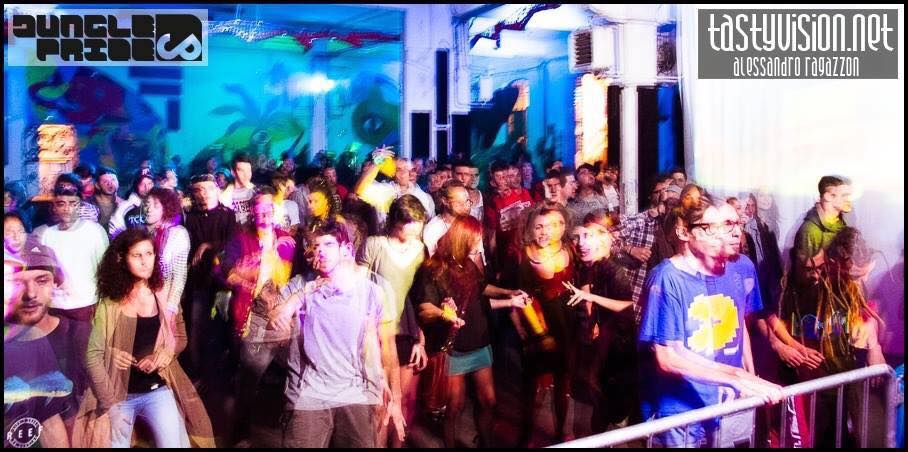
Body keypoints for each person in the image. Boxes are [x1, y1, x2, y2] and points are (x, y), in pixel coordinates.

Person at [637, 195, 783, 447]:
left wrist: (745, 377)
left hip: (721, 402)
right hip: (680, 411)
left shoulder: (730, 270)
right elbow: (669, 356)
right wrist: (735, 377)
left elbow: (738, 327)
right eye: (712, 229)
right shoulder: (666, 277)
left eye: (729, 226)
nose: (728, 234)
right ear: (685, 232)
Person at [268, 220, 406, 447]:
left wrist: (392, 394)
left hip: (355, 393)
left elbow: (383, 344)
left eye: (328, 244)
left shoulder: (372, 290)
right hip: (310, 394)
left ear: (346, 249)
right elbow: (273, 318)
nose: (320, 251)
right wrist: (301, 296)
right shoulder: (302, 285)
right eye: (316, 246)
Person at [78, 228, 214, 448]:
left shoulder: (163, 294)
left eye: (149, 254)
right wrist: (111, 405)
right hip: (118, 395)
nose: (145, 262)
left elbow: (180, 337)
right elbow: (92, 355)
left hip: (157, 388)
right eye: (137, 255)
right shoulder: (110, 303)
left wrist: (167, 353)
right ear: (122, 259)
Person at [414, 216, 530, 447]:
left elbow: (481, 289)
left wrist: (508, 293)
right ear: (463, 239)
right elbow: (424, 308)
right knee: (454, 406)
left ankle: (485, 441)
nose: (480, 244)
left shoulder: (467, 264)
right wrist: (444, 314)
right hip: (454, 347)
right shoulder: (434, 269)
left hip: (479, 343)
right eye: (476, 239)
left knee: (488, 401)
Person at [220, 191, 296, 445]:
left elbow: (298, 276)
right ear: (253, 213)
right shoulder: (241, 240)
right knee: (249, 382)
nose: (264, 215)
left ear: (274, 212)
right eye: (259, 210)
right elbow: (224, 272)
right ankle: (240, 436)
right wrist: (246, 272)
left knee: (298, 376)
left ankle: (295, 432)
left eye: (268, 210)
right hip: (254, 319)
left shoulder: (287, 240)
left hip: (285, 319)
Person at [359, 195, 429, 448]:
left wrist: (421, 340)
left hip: (407, 330)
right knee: (381, 403)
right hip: (377, 333)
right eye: (412, 225)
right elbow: (359, 288)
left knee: (404, 403)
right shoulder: (375, 245)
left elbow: (421, 296)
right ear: (397, 223)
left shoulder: (420, 249)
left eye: (419, 226)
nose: (416, 231)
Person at [4, 241, 89, 448]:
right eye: (17, 282)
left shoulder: (78, 334)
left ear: (55, 283)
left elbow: (53, 418)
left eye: (41, 280)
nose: (30, 294)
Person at [564, 212, 636, 434]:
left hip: (620, 344)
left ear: (606, 239)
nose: (582, 242)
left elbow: (628, 306)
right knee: (597, 394)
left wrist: (591, 298)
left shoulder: (616, 270)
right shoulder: (592, 266)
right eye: (580, 236)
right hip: (605, 340)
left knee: (610, 401)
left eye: (590, 236)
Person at [515, 200, 579, 446]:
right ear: (531, 228)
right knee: (535, 386)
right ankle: (526, 437)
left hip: (567, 325)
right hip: (540, 326)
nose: (544, 232)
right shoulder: (525, 255)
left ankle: (562, 433)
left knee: (564, 381)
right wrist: (541, 335)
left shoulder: (569, 249)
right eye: (539, 226)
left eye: (550, 226)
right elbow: (524, 300)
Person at [32, 178, 109, 323]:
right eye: (61, 204)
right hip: (55, 307)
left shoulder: (95, 231)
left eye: (73, 203)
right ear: (55, 206)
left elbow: (105, 270)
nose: (67, 209)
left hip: (86, 304)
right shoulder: (46, 235)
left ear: (80, 205)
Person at [142, 187, 190, 328]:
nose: (149, 209)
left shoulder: (176, 234)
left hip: (165, 301)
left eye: (156, 205)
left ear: (166, 208)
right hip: (142, 301)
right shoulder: (140, 233)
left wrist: (171, 307)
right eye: (147, 204)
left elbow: (179, 276)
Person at [109, 171, 155, 238]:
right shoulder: (124, 207)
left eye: (149, 183)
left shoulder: (160, 205)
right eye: (142, 184)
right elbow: (114, 232)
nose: (146, 188)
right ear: (136, 186)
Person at [219, 154, 257, 226]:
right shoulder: (224, 197)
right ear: (233, 172)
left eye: (249, 170)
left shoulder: (256, 192)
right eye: (242, 171)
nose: (246, 175)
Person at [89, 166, 125, 231]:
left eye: (113, 180)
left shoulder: (125, 205)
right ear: (97, 185)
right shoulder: (89, 204)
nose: (110, 183)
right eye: (105, 181)